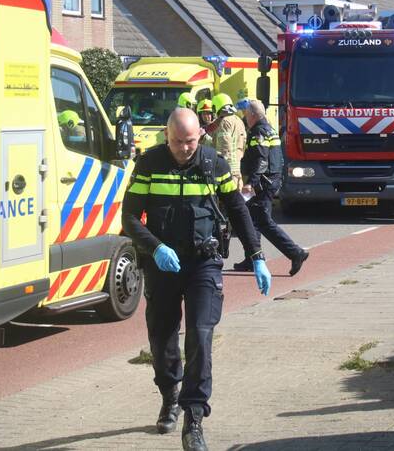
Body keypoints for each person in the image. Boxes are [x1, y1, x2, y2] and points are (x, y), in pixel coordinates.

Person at [122, 109, 271, 451]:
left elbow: (237, 208)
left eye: (190, 141)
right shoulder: (150, 164)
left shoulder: (213, 164)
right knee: (162, 338)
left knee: (201, 336)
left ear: (200, 135)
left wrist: (258, 256)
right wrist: (155, 247)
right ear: (166, 135)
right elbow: (129, 216)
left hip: (203, 262)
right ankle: (169, 394)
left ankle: (193, 419)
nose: (184, 148)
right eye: (177, 141)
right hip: (163, 264)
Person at [236, 99, 309, 276]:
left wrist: (251, 183)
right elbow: (279, 158)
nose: (246, 118)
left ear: (252, 115)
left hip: (262, 182)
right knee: (254, 219)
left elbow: (261, 160)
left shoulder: (258, 131)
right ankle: (252, 258)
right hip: (270, 180)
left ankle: (295, 253)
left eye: (246, 115)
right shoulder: (270, 129)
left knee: (263, 222)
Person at [211, 93, 246, 188]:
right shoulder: (238, 121)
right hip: (237, 170)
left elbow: (224, 148)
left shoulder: (225, 122)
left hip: (226, 172)